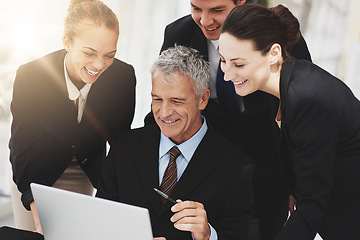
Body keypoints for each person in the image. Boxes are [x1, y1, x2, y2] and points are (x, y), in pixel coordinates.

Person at [145, 1, 312, 239]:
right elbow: (165, 100)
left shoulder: (276, 33)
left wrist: (300, 181)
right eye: (196, 8)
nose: (205, 21)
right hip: (209, 165)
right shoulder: (178, 33)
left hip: (269, 164)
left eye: (217, 10)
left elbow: (301, 114)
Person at [219, 4, 360, 240]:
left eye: (239, 64)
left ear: (274, 53)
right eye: (223, 60)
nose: (227, 74)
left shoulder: (307, 99)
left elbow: (311, 205)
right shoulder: (284, 80)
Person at [97, 45, 254, 240]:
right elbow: (100, 222)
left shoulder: (236, 167)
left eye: (176, 101)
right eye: (157, 99)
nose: (164, 112)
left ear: (203, 99)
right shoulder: (124, 146)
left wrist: (208, 236)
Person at [9, 0, 136, 234]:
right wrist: (37, 211)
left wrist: (114, 202)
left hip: (84, 170)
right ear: (67, 42)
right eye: (89, 53)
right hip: (32, 171)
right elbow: (22, 149)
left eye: (109, 55)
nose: (99, 65)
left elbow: (120, 144)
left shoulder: (123, 77)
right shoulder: (31, 76)